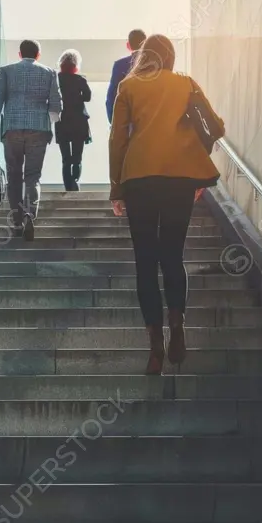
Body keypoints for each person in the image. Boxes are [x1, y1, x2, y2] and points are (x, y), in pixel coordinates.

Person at [108, 34, 220, 375]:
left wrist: (117, 189)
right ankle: (178, 328)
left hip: (140, 178)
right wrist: (194, 164)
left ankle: (155, 347)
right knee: (172, 254)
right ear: (170, 56)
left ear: (144, 56)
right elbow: (215, 126)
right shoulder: (185, 83)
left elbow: (118, 139)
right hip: (180, 178)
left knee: (146, 260)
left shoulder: (128, 87)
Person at [0, 40, 62, 241]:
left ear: (20, 54)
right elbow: (56, 104)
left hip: (11, 129)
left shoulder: (6, 71)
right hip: (39, 130)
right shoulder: (49, 72)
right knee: (33, 176)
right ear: (38, 55)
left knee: (14, 176)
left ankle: (17, 222)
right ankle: (29, 214)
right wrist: (49, 123)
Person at [55, 49, 91, 191]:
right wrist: (77, 98)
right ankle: (75, 181)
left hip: (62, 120)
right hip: (79, 121)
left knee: (65, 158)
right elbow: (87, 97)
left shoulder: (57, 79)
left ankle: (68, 186)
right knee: (77, 156)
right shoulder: (80, 79)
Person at [106, 29, 146, 124]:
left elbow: (111, 97)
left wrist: (113, 123)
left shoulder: (119, 65)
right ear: (146, 44)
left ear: (128, 45)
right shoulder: (153, 66)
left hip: (126, 121)